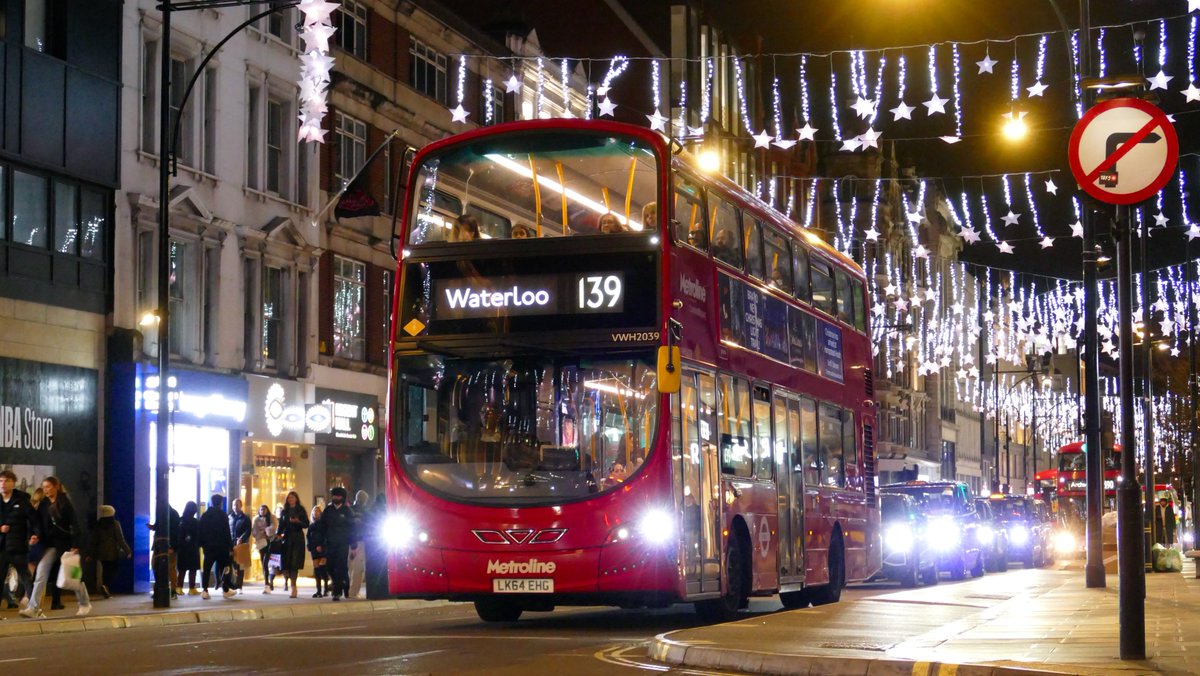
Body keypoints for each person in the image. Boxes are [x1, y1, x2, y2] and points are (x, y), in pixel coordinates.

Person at [22, 476, 90, 618]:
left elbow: (75, 524)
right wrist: (35, 535)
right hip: (51, 545)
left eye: (48, 487)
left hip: (66, 546)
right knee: (41, 573)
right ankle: (33, 607)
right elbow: (38, 524)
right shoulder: (44, 504)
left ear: (56, 487)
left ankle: (84, 603)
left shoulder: (65, 503)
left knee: (73, 575)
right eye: (44, 487)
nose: (45, 490)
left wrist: (75, 545)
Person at [0, 470, 36, 610]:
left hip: (18, 546)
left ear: (13, 483)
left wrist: (34, 534)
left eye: (7, 481)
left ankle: (34, 607)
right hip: (2, 547)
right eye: (1, 481)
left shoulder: (21, 501)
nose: (3, 484)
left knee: (26, 578)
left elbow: (33, 519)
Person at [319, 486, 358, 601]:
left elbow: (352, 529)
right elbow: (322, 527)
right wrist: (320, 543)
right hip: (330, 543)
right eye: (334, 496)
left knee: (340, 567)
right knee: (329, 567)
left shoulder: (347, 511)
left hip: (343, 544)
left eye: (338, 496)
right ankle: (339, 584)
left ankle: (337, 590)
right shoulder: (328, 510)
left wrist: (354, 546)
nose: (336, 498)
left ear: (342, 497)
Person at [198, 494, 234, 599]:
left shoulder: (205, 515)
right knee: (225, 568)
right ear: (220, 503)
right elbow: (227, 532)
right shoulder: (223, 515)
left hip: (208, 547)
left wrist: (202, 544)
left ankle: (205, 590)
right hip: (221, 547)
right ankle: (225, 589)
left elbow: (201, 530)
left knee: (207, 569)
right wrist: (230, 547)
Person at [91, 505, 131, 599]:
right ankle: (106, 585)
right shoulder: (115, 523)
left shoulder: (98, 524)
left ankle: (105, 586)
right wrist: (128, 551)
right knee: (114, 569)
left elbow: (94, 540)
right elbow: (120, 539)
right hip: (112, 552)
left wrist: (91, 553)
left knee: (105, 569)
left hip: (101, 552)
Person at [278, 491, 309, 599]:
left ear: (296, 499)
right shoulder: (284, 511)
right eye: (289, 498)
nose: (290, 499)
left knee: (294, 563)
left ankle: (293, 587)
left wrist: (297, 521)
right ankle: (287, 580)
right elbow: (281, 525)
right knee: (286, 562)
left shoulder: (301, 510)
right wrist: (278, 535)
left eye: (292, 497)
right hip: (286, 538)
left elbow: (306, 524)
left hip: (297, 538)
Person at [148, 503, 181, 598]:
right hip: (160, 545)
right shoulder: (165, 513)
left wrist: (173, 547)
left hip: (167, 545)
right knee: (157, 566)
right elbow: (159, 527)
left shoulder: (172, 514)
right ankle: (161, 589)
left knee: (166, 567)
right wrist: (153, 527)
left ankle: (172, 591)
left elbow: (175, 532)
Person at [364, 494, 390, 600]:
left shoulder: (370, 512)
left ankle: (372, 593)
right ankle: (383, 592)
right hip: (383, 545)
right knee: (383, 569)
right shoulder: (386, 512)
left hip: (371, 546)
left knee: (372, 570)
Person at [177, 501, 201, 595]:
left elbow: (178, 535)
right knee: (192, 569)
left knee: (182, 569)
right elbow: (199, 536)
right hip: (193, 549)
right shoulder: (196, 522)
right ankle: (192, 588)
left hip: (182, 549)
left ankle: (179, 587)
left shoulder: (181, 520)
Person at [228, 499, 251, 593]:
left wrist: (241, 538)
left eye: (237, 505)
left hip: (240, 545)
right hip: (231, 544)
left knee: (240, 565)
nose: (235, 507)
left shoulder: (245, 518)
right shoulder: (229, 517)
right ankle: (232, 584)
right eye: (233, 505)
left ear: (241, 506)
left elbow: (248, 530)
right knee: (232, 565)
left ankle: (239, 586)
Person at [251, 504, 276, 593]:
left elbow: (273, 528)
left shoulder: (271, 518)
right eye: (261, 509)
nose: (263, 511)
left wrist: (267, 530)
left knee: (265, 562)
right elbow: (254, 531)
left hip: (269, 542)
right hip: (261, 542)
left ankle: (267, 583)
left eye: (264, 509)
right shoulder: (256, 519)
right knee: (263, 563)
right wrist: (259, 533)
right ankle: (267, 582)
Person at [307, 505, 328, 598]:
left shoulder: (324, 525)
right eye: (315, 511)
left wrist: (322, 546)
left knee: (322, 568)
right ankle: (318, 590)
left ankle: (326, 588)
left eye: (318, 511)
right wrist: (310, 547)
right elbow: (308, 537)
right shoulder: (311, 526)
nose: (316, 513)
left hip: (323, 549)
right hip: (314, 549)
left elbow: (326, 536)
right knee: (316, 570)